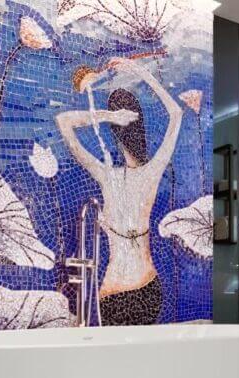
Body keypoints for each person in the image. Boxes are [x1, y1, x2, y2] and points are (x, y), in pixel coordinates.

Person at [55, 57, 183, 325]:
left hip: (115, 292)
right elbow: (176, 113)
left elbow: (64, 121)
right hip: (149, 287)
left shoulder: (107, 176)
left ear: (115, 134)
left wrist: (108, 116)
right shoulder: (151, 172)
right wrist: (138, 71)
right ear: (141, 127)